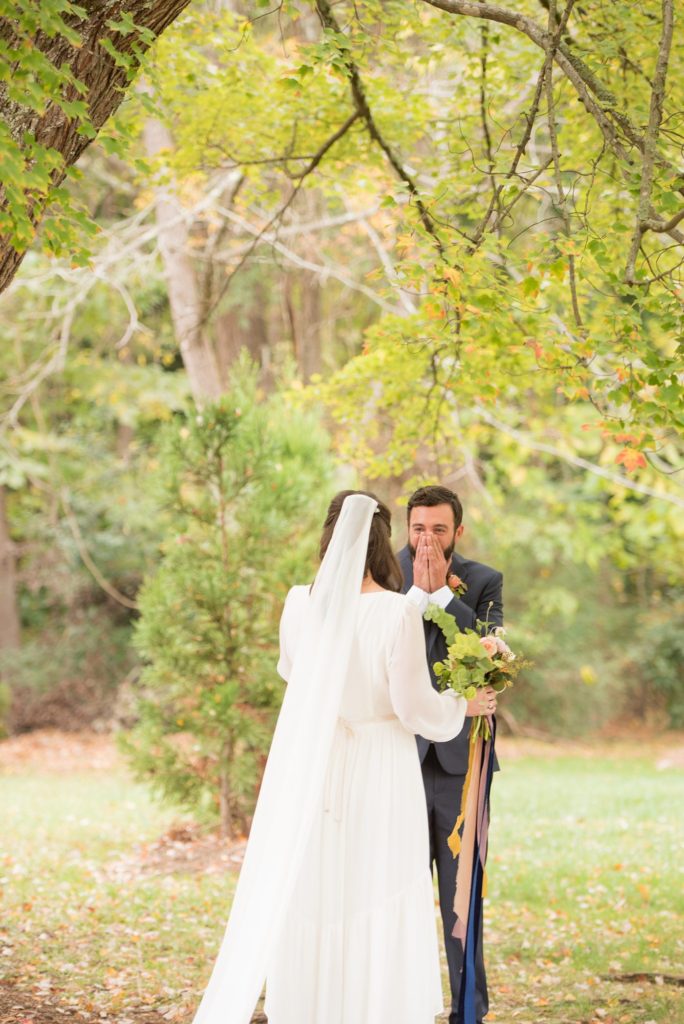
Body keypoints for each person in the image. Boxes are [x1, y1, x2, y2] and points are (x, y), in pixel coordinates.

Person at [192, 490, 497, 1024]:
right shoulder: (393, 612)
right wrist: (461, 703)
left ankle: (313, 1007)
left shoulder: (298, 604)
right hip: (382, 763)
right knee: (380, 885)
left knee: (320, 885)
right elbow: (413, 708)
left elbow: (294, 672)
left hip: (320, 764)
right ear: (385, 543)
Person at [398, 484, 504, 1024]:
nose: (427, 538)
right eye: (418, 527)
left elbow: (491, 654)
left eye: (439, 529)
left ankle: (469, 1013)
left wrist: (442, 595)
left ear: (457, 532)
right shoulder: (383, 579)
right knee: (393, 891)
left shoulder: (484, 581)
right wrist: (416, 594)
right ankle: (396, 1006)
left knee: (462, 899)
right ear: (405, 527)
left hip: (463, 764)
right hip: (395, 762)